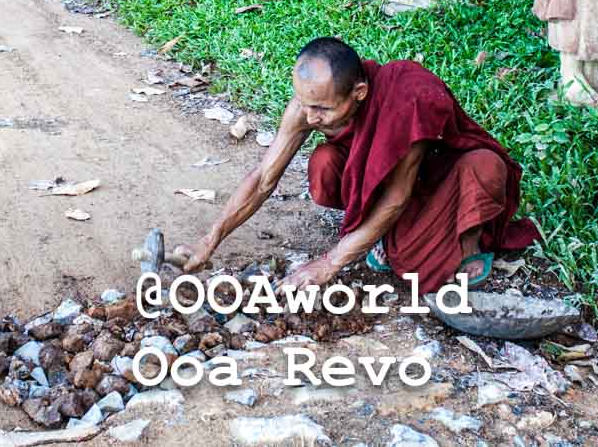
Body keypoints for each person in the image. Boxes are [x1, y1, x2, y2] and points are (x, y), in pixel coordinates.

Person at [182, 37, 540, 293]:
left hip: (445, 178)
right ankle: (380, 233)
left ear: (360, 94)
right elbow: (263, 179)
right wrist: (210, 238)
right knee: (324, 164)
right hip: (384, 181)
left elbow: (397, 197)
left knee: (419, 263)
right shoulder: (307, 107)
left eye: (322, 109)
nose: (310, 117)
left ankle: (469, 245)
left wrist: (330, 263)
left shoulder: (406, 99)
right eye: (305, 104)